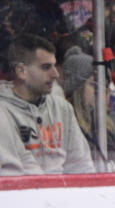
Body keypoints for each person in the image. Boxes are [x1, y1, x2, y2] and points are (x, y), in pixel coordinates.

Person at [0, 34, 94, 174]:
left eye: (55, 66)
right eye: (46, 67)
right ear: (21, 71)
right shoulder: (3, 111)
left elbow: (82, 164)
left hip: (66, 192)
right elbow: (11, 174)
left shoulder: (62, 108)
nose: (55, 74)